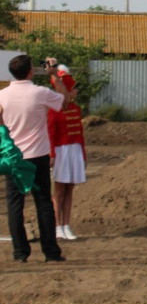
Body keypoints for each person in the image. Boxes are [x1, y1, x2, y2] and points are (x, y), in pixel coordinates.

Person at [0, 55, 68, 262]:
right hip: (37, 155)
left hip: (14, 157)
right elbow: (65, 100)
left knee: (15, 205)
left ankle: (20, 252)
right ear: (30, 71)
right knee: (43, 202)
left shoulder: (3, 95)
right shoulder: (40, 93)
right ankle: (50, 251)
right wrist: (54, 74)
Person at [47, 66, 86, 241]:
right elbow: (50, 134)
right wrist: (51, 154)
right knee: (59, 191)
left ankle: (66, 225)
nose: (76, 91)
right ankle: (57, 226)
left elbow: (80, 134)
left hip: (74, 150)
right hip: (61, 151)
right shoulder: (54, 110)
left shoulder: (76, 109)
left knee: (70, 189)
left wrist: (83, 155)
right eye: (74, 88)